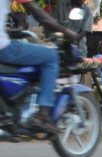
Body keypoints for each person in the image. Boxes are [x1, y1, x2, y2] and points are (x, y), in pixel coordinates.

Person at [0, 0, 81, 136]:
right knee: (50, 56)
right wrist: (66, 32)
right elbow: (39, 14)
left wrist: (8, 31)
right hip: (3, 49)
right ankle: (43, 115)